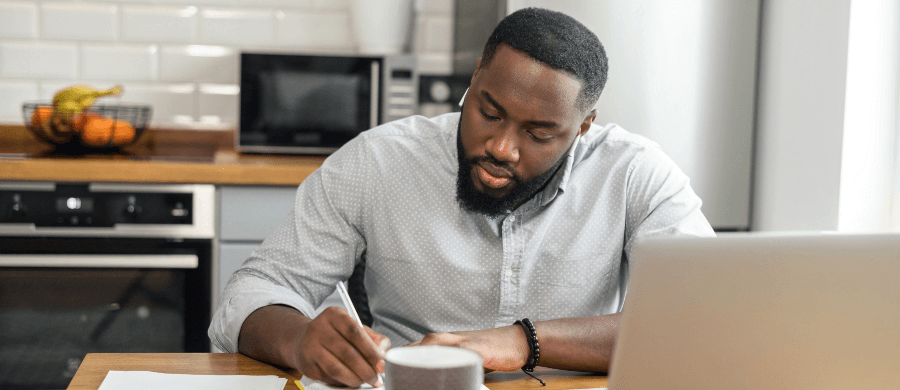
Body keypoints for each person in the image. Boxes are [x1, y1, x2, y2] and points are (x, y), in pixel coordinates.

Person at [209, 7, 714, 388]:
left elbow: (702, 317)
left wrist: (521, 341)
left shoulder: (634, 172)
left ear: (582, 127)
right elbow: (249, 294)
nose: (501, 147)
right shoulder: (378, 161)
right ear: (474, 79)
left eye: (538, 134)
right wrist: (299, 339)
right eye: (489, 112)